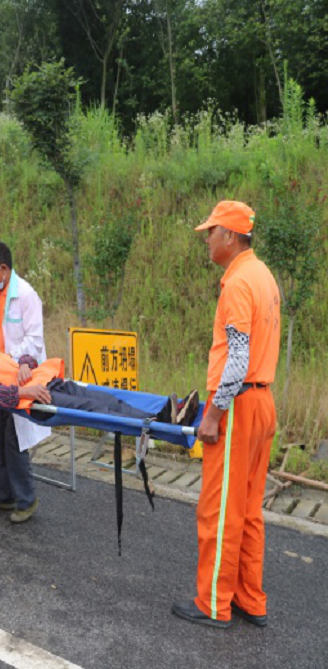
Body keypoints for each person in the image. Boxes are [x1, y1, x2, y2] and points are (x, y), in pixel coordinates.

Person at [172, 201, 280, 629]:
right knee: (249, 510)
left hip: (237, 406)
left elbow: (237, 358)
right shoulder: (263, 275)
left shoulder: (237, 283)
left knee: (218, 510)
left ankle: (213, 603)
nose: (207, 239)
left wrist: (213, 415)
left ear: (231, 236)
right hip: (263, 402)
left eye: (211, 232)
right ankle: (250, 599)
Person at [0, 240, 50, 523]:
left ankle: (26, 499)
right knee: (0, 435)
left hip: (21, 378)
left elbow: (34, 340)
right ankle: (4, 495)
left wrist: (8, 359)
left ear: (3, 268)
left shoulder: (26, 295)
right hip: (1, 378)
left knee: (15, 440)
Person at [0, 344, 199, 427]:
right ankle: (163, 422)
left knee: (109, 400)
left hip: (54, 383)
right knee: (96, 409)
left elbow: (28, 358)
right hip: (41, 398)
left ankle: (166, 413)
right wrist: (25, 391)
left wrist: (23, 364)